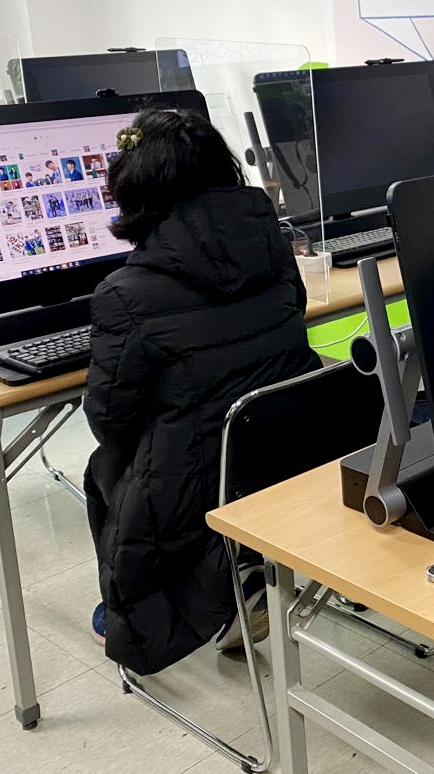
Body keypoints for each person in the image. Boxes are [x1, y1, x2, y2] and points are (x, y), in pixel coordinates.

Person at [84, 108, 320, 672]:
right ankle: (247, 574)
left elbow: (109, 420)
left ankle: (146, 607)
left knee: (106, 467)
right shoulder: (274, 245)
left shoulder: (123, 294)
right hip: (288, 458)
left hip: (193, 489)